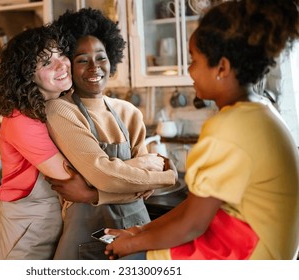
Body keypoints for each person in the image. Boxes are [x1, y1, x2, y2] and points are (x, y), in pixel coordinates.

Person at [105, 0, 299, 260]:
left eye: (194, 60)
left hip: (248, 255)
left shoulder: (230, 127)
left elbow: (192, 225)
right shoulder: (259, 111)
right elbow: (193, 209)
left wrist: (130, 245)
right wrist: (140, 231)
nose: (190, 70)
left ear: (222, 68)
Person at [45, 8, 178, 260]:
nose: (94, 67)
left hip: (135, 231)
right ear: (68, 66)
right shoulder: (61, 110)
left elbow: (144, 185)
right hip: (86, 235)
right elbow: (107, 175)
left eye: (101, 57)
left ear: (111, 59)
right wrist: (168, 177)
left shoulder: (129, 112)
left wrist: (91, 194)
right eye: (82, 60)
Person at [0, 24, 75, 259]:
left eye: (61, 54)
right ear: (27, 75)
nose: (61, 65)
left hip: (48, 217)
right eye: (47, 62)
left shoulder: (53, 106)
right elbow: (67, 176)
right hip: (26, 225)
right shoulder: (21, 120)